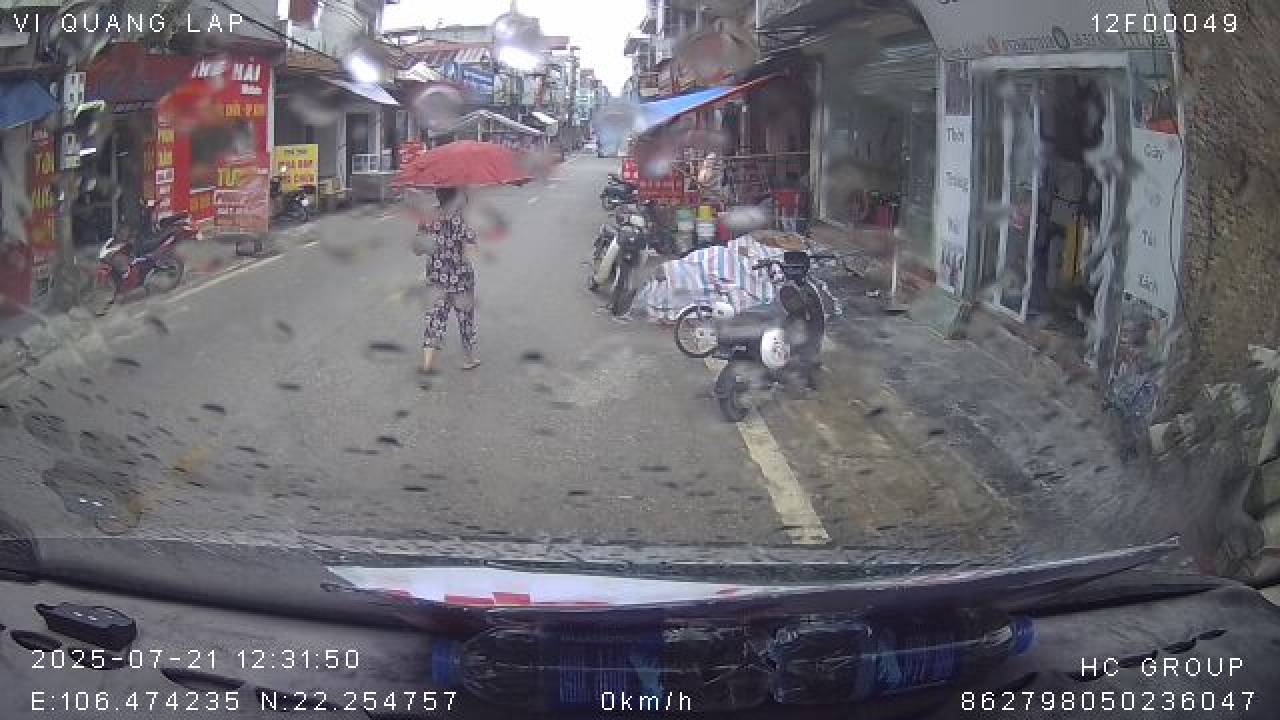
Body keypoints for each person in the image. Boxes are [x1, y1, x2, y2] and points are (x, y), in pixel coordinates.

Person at [414, 187, 480, 373]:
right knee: (465, 319)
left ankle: (427, 364)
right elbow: (472, 252)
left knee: (434, 321)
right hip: (461, 279)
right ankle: (469, 359)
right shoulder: (462, 218)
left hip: (436, 278)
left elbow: (417, 250)